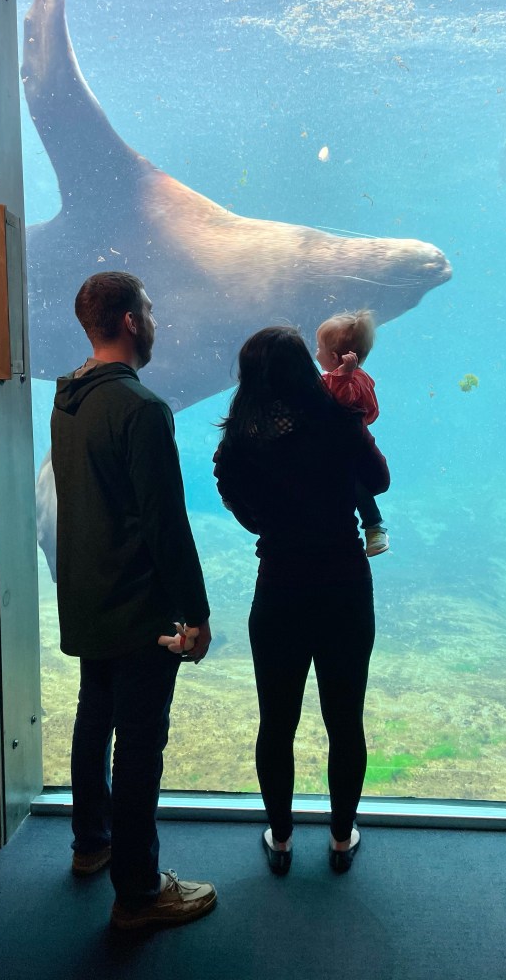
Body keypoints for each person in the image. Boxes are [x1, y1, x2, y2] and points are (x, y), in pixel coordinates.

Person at [50, 270, 217, 930]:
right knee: (141, 744)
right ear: (128, 321)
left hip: (87, 598)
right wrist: (196, 613)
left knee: (95, 720)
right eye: (148, 309)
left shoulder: (68, 399)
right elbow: (164, 523)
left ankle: (91, 844)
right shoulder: (141, 409)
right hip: (137, 607)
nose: (153, 320)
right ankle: (139, 893)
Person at [213, 326, 390, 875]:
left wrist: (266, 525)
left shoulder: (244, 436)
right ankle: (340, 839)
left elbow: (228, 487)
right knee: (346, 719)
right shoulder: (339, 421)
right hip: (344, 583)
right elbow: (379, 480)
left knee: (276, 721)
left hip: (280, 585)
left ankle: (283, 839)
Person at [316, 309, 390, 557]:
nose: (316, 353)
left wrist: (343, 377)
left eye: (319, 348)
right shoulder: (338, 377)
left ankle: (374, 526)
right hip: (337, 451)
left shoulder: (354, 380)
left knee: (357, 486)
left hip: (352, 453)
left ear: (334, 357)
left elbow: (345, 402)